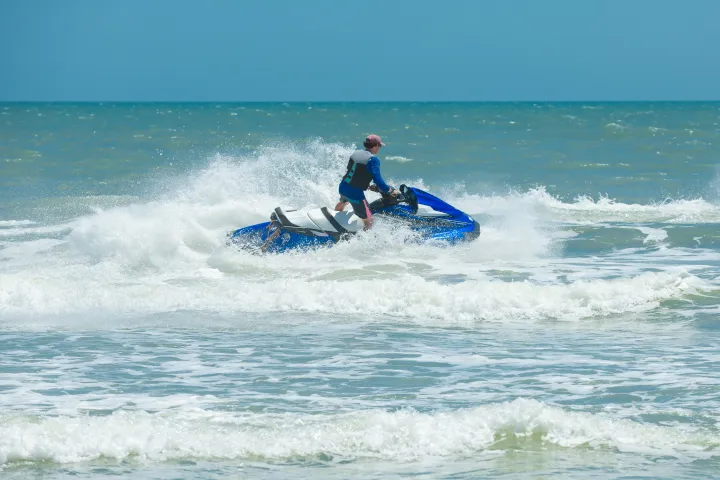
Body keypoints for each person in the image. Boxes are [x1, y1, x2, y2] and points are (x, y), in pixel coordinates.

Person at [335, 134, 399, 230]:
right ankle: (366, 241)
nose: (379, 148)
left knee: (343, 201)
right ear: (376, 145)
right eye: (379, 146)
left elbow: (351, 171)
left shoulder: (355, 153)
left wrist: (365, 184)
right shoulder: (373, 160)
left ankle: (334, 220)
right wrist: (389, 190)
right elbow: (378, 180)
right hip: (355, 194)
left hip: (343, 187)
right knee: (369, 219)